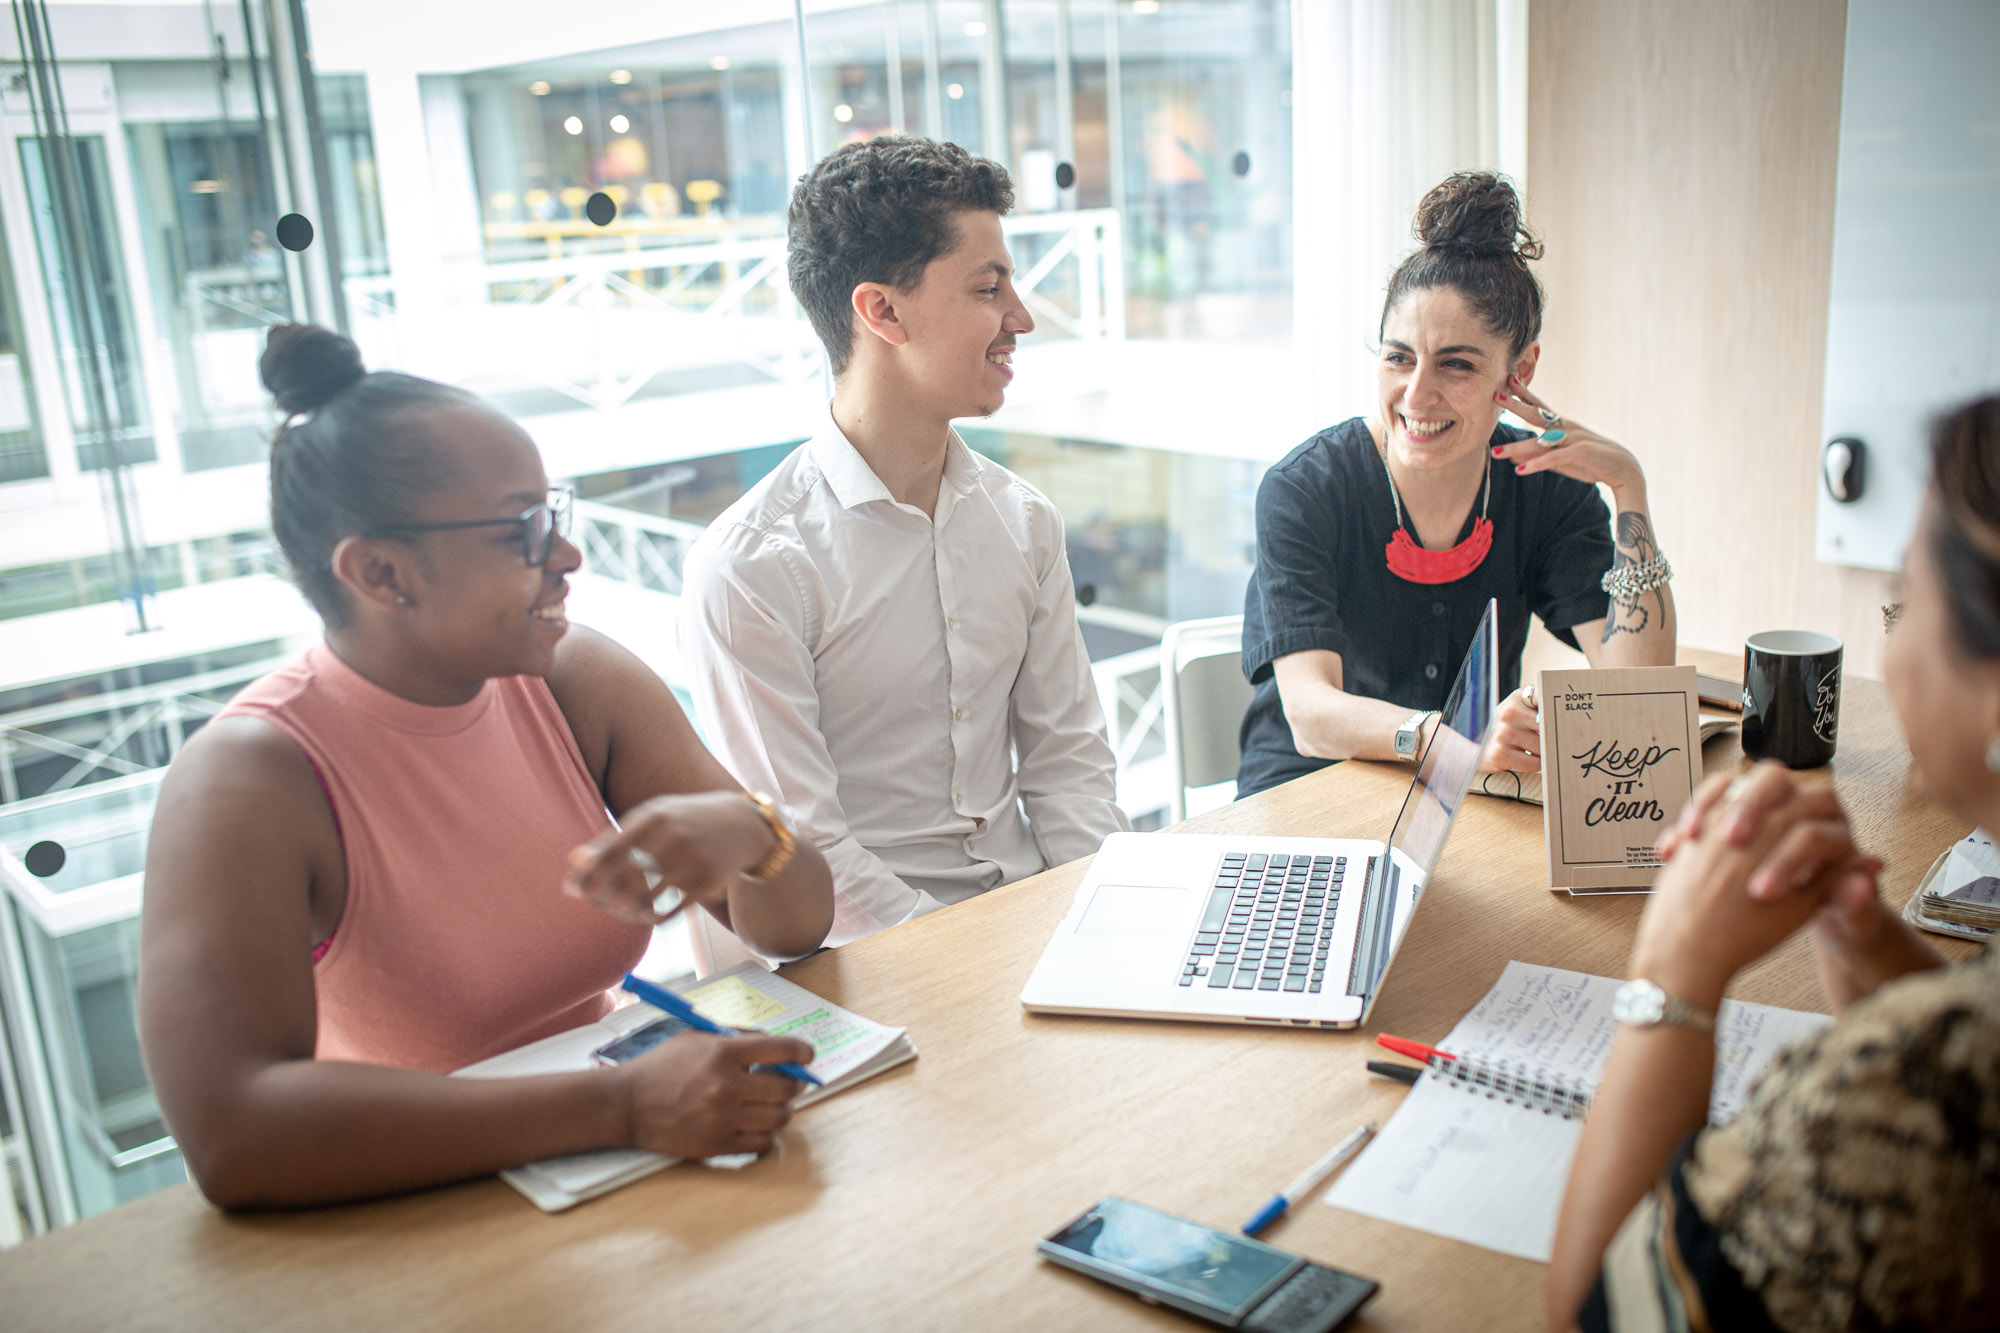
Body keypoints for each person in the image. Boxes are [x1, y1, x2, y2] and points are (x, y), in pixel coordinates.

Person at [137, 325, 835, 1209]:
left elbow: (796, 928)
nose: (568, 556)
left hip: (609, 1169)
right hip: (411, 1202)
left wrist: (755, 835)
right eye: (522, 531)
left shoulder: (577, 677)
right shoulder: (246, 780)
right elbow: (231, 1133)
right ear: (382, 571)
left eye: (555, 515)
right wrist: (617, 1105)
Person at [1548, 395, 2000, 1332]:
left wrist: (1671, 976)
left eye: (1904, 596)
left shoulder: (1886, 1100)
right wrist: (1862, 931)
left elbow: (1600, 1317)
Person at [679, 135, 1128, 948]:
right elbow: (804, 849)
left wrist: (1102, 928)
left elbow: (1069, 767)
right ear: (882, 310)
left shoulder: (1023, 521)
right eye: (988, 289)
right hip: (863, 968)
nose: (1019, 319)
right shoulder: (750, 566)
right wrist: (976, 961)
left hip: (1030, 930)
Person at [1237, 171, 1677, 796]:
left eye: (1456, 364)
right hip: (1307, 803)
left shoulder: (1543, 485)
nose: (1417, 395)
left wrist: (1628, 487)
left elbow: (1640, 694)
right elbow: (1310, 715)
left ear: (1519, 371)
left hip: (1462, 808)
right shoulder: (1305, 490)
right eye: (1398, 358)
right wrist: (1458, 748)